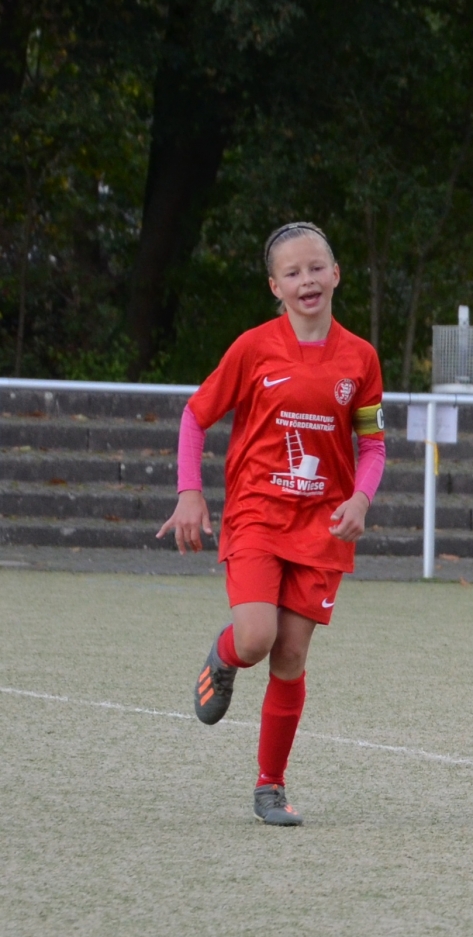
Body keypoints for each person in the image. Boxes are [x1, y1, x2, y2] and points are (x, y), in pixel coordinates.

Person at [157, 221, 387, 827]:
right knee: (257, 638)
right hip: (257, 515)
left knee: (289, 653)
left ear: (336, 274)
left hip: (323, 527)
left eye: (316, 268)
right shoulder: (253, 348)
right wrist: (189, 492)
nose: (307, 280)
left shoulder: (361, 358)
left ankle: (270, 787)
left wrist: (361, 499)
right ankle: (225, 654)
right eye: (292, 272)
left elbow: (373, 445)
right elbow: (195, 416)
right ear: (275, 287)